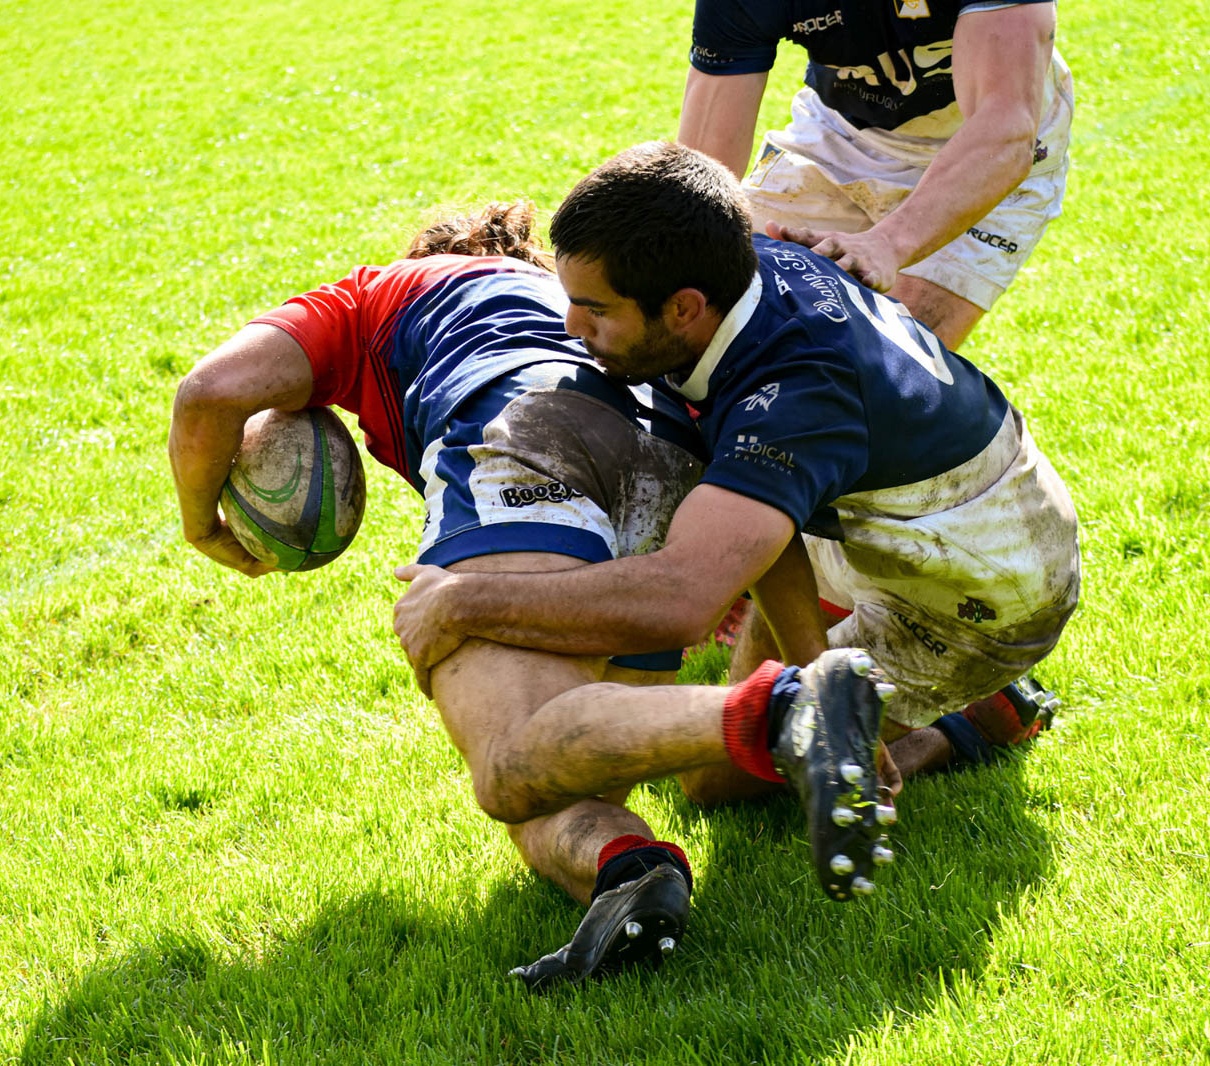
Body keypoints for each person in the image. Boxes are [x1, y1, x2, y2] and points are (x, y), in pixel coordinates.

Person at [167, 203, 897, 991]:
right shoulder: (600, 322)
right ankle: (632, 872)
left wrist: (202, 525)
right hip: (665, 463)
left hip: (527, 429)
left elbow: (210, 393)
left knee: (509, 765)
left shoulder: (382, 292)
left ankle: (787, 710)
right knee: (548, 779)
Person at [392, 143, 1080, 796]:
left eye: (596, 309)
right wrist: (817, 676)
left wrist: (462, 600)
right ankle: (859, 699)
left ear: (684, 307)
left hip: (984, 584)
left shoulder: (790, 401)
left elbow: (681, 601)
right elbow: (759, 516)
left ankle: (974, 719)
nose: (572, 326)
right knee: (785, 718)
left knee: (716, 783)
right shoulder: (739, 269)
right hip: (892, 518)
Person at [676, 0, 1073, 350]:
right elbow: (703, 174)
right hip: (841, 134)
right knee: (708, 308)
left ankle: (1003, 436)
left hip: (983, 148)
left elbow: (1003, 129)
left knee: (883, 367)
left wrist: (888, 243)